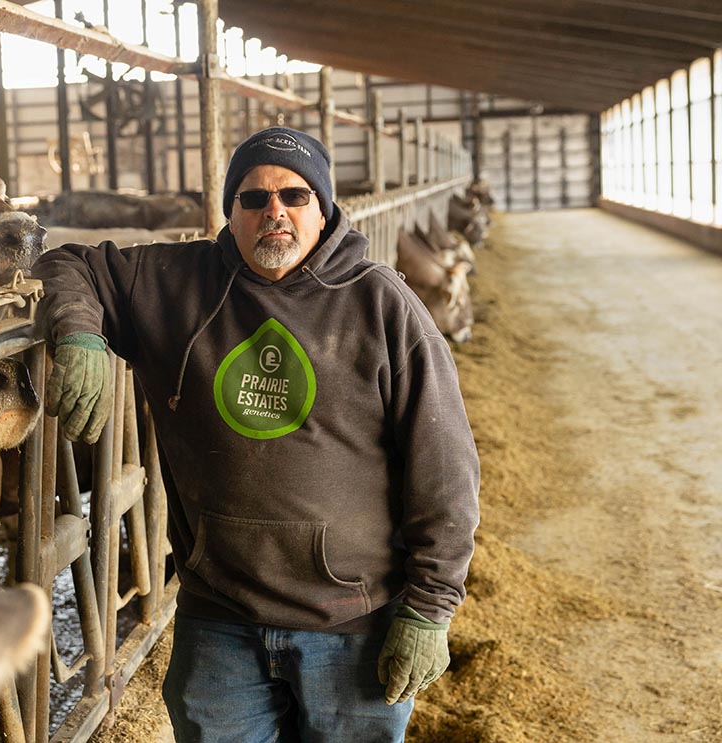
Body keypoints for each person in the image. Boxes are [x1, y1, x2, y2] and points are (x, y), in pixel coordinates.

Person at [33, 126, 480, 743]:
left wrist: (430, 609)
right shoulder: (177, 282)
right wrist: (78, 331)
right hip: (220, 620)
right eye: (253, 198)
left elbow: (447, 469)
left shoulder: (383, 306)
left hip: (351, 621)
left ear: (322, 210)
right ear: (232, 213)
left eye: (295, 196)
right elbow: (66, 262)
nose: (275, 212)